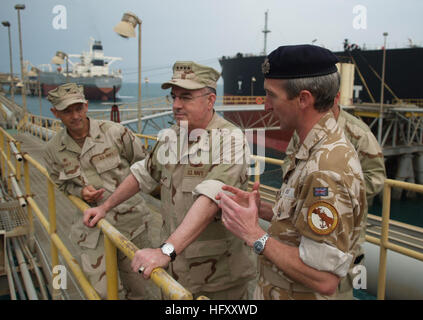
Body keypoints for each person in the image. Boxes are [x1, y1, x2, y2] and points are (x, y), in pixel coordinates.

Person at [83, 61, 256, 300]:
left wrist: (165, 251)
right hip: (174, 271)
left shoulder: (230, 140)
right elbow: (143, 173)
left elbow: (211, 197)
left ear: (210, 100)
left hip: (216, 279)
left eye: (186, 97)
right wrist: (104, 207)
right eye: (173, 97)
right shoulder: (172, 136)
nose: (176, 105)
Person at [217, 45, 367, 299]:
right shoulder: (314, 148)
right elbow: (302, 223)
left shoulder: (325, 170)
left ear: (303, 99)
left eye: (271, 95)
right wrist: (264, 209)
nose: (265, 106)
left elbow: (323, 279)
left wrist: (253, 234)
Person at [42, 83, 158, 300]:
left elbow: (144, 166)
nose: (75, 115)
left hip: (131, 227)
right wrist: (80, 194)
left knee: (140, 291)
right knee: (102, 293)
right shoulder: (52, 151)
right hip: (92, 230)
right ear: (54, 113)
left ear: (86, 106)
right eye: (67, 111)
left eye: (78, 108)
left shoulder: (115, 133)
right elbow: (60, 182)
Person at [283, 93, 386, 298]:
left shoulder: (358, 133)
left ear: (336, 97)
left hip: (343, 229)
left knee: (339, 286)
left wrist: (338, 189)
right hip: (304, 221)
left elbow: (376, 177)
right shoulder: (305, 129)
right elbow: (289, 162)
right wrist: (304, 187)